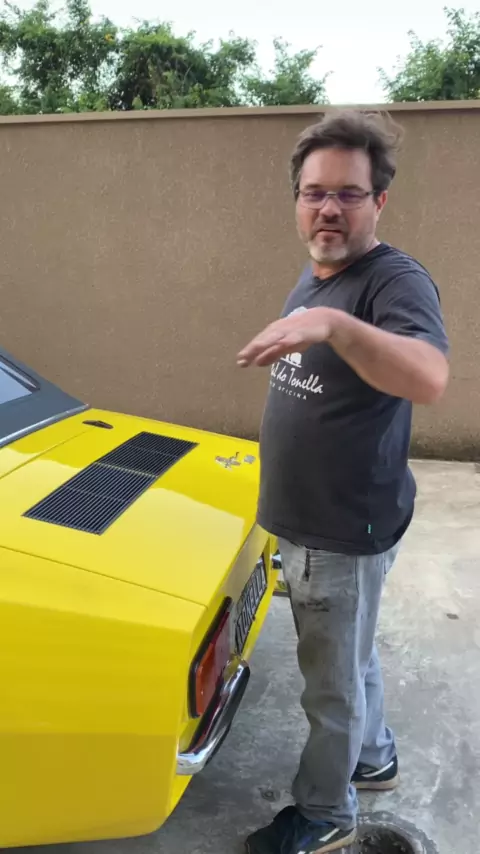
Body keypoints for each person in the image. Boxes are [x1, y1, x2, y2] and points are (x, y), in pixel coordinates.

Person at [237, 109, 450, 854]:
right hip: (314, 519)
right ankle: (374, 757)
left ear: (379, 201)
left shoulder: (393, 280)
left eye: (348, 194)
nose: (329, 208)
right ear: (298, 199)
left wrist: (335, 328)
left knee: (329, 684)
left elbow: (428, 376)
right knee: (349, 657)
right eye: (314, 192)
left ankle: (326, 812)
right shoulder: (320, 270)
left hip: (342, 529)